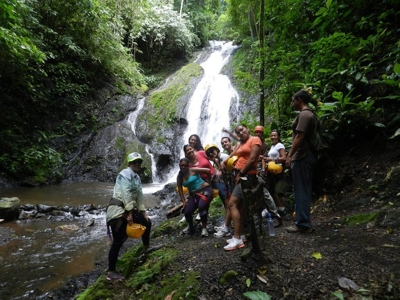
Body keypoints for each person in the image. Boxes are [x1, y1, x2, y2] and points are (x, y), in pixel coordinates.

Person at [106, 152, 152, 281]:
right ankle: (111, 272)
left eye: (139, 162)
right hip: (117, 212)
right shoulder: (125, 174)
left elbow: (139, 196)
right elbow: (126, 193)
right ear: (129, 163)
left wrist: (143, 212)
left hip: (127, 210)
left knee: (147, 223)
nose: (137, 164)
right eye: (134, 162)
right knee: (118, 241)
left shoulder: (136, 177)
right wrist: (130, 213)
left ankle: (147, 247)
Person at [221, 124, 262, 251]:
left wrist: (241, 173)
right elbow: (233, 153)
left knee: (232, 204)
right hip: (239, 174)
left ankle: (237, 238)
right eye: (238, 132)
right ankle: (241, 235)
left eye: (242, 130)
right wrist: (224, 161)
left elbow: (252, 159)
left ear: (247, 129)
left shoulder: (255, 140)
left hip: (247, 176)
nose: (240, 133)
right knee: (240, 206)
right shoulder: (240, 143)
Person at [285, 90, 317, 233]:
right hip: (306, 156)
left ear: (299, 100)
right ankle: (302, 221)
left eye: (293, 100)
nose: (292, 103)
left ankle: (303, 224)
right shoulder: (310, 114)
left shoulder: (304, 115)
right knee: (302, 189)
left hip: (302, 156)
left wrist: (289, 155)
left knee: (301, 190)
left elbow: (299, 136)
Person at [176, 158, 213, 237]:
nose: (183, 167)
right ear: (179, 165)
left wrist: (208, 183)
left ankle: (204, 228)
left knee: (201, 207)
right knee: (187, 212)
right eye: (181, 165)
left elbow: (207, 170)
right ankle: (191, 226)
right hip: (194, 195)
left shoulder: (193, 170)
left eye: (185, 166)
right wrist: (184, 202)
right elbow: (180, 190)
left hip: (205, 190)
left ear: (188, 166)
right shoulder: (179, 176)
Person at [264, 129, 287, 216]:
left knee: (272, 190)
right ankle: (277, 208)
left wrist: (271, 159)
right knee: (271, 190)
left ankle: (279, 208)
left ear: (278, 136)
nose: (273, 137)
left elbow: (284, 158)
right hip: (271, 171)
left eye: (275, 135)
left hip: (277, 171)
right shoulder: (273, 146)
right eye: (272, 135)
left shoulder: (279, 145)